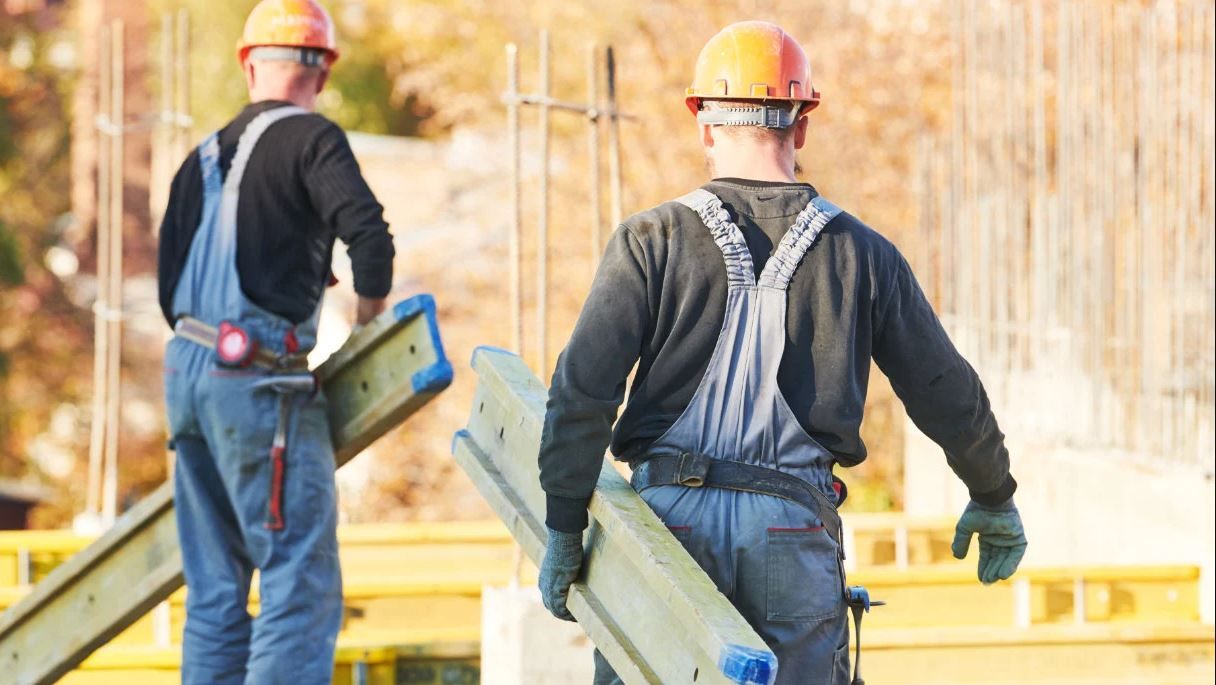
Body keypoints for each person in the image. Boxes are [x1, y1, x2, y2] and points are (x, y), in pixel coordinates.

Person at [535, 20, 1027, 685]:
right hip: (791, 535)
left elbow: (582, 391)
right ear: (803, 125)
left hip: (665, 535)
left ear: (704, 124)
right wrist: (993, 492)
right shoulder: (864, 255)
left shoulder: (650, 239)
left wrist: (564, 524)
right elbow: (944, 388)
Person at [156, 1, 394, 682]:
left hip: (187, 379)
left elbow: (168, 290)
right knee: (297, 577)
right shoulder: (313, 139)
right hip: (257, 381)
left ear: (249, 65)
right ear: (323, 72)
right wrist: (368, 319)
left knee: (214, 590)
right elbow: (370, 239)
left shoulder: (198, 159)